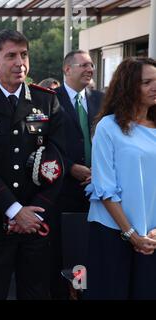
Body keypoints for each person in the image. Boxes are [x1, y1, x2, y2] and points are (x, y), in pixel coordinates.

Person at [0, 29, 65, 299]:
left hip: (37, 220)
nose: (20, 63)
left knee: (36, 292)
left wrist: (35, 212)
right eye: (11, 56)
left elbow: (58, 160)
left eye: (24, 55)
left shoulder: (46, 100)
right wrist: (14, 210)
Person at [85, 57, 156, 299]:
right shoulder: (108, 127)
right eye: (147, 82)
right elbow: (104, 187)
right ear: (128, 87)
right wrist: (131, 234)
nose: (154, 87)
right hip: (113, 232)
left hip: (152, 237)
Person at [55, 50, 104, 213]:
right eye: (84, 65)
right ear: (67, 69)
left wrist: (98, 172)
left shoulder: (102, 99)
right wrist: (69, 167)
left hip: (100, 188)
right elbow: (44, 143)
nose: (90, 69)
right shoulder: (50, 100)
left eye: (91, 65)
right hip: (63, 189)